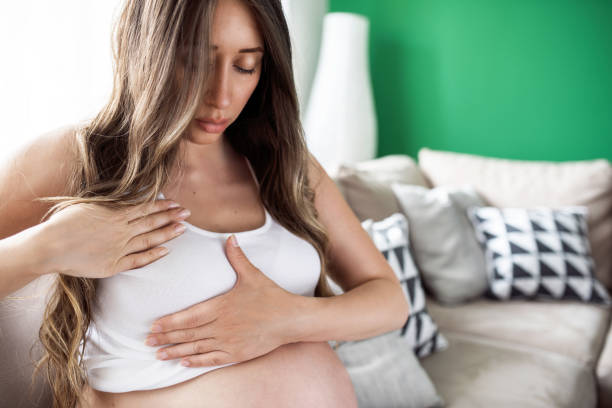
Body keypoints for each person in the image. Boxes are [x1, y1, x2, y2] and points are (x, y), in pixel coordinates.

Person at [0, 0, 411, 407]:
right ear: (148, 50)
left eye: (245, 66)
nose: (220, 97)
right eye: (195, 62)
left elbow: (388, 300)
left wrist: (285, 318)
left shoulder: (285, 164)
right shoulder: (81, 156)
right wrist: (49, 245)